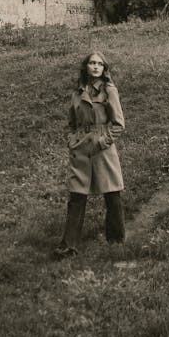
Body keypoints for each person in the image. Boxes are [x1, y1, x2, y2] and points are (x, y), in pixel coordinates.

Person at [54, 51, 125, 258]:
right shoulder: (77, 92)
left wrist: (103, 141)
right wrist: (71, 140)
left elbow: (119, 124)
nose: (95, 66)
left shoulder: (109, 90)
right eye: (92, 63)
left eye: (99, 64)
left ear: (104, 68)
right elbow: (71, 123)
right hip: (81, 148)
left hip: (102, 146)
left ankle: (117, 240)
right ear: (86, 67)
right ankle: (69, 245)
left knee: (112, 193)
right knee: (76, 195)